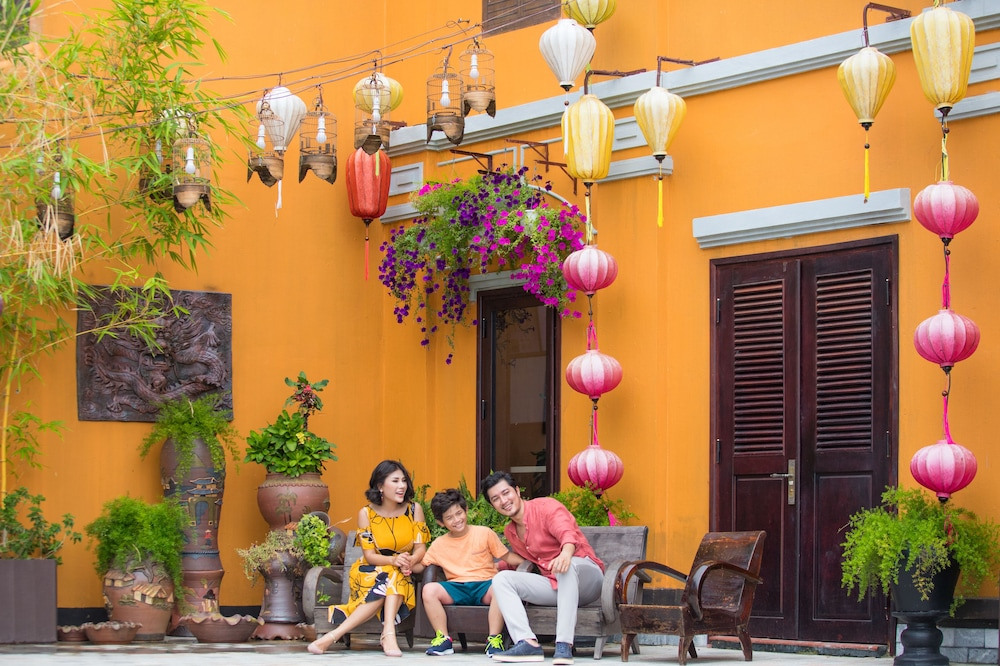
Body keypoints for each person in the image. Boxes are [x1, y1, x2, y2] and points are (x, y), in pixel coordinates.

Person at [307, 460, 429, 657]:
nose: (402, 486)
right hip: (369, 572)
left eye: (404, 481)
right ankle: (388, 634)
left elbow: (421, 548)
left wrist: (410, 561)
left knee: (394, 577)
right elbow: (370, 556)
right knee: (392, 575)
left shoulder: (414, 510)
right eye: (395, 481)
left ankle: (332, 637)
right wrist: (394, 561)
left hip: (401, 570)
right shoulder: (366, 514)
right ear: (380, 486)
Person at [481, 471, 604, 666]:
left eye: (506, 493)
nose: (503, 501)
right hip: (556, 585)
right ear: (493, 505)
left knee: (565, 569)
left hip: (586, 578)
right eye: (496, 499)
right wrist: (494, 566)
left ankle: (563, 645)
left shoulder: (546, 507)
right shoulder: (510, 531)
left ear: (517, 491)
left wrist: (566, 554)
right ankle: (527, 642)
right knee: (502, 580)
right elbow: (523, 559)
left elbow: (567, 534)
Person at [418, 488, 524, 657]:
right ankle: (443, 639)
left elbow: (507, 556)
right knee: (429, 590)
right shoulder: (439, 544)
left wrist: (529, 562)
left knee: (500, 587)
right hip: (456, 588)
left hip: (485, 585)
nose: (456, 520)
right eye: (449, 518)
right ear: (440, 522)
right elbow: (422, 566)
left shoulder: (484, 533)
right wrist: (406, 564)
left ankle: (494, 639)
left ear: (466, 510)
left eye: (459, 513)